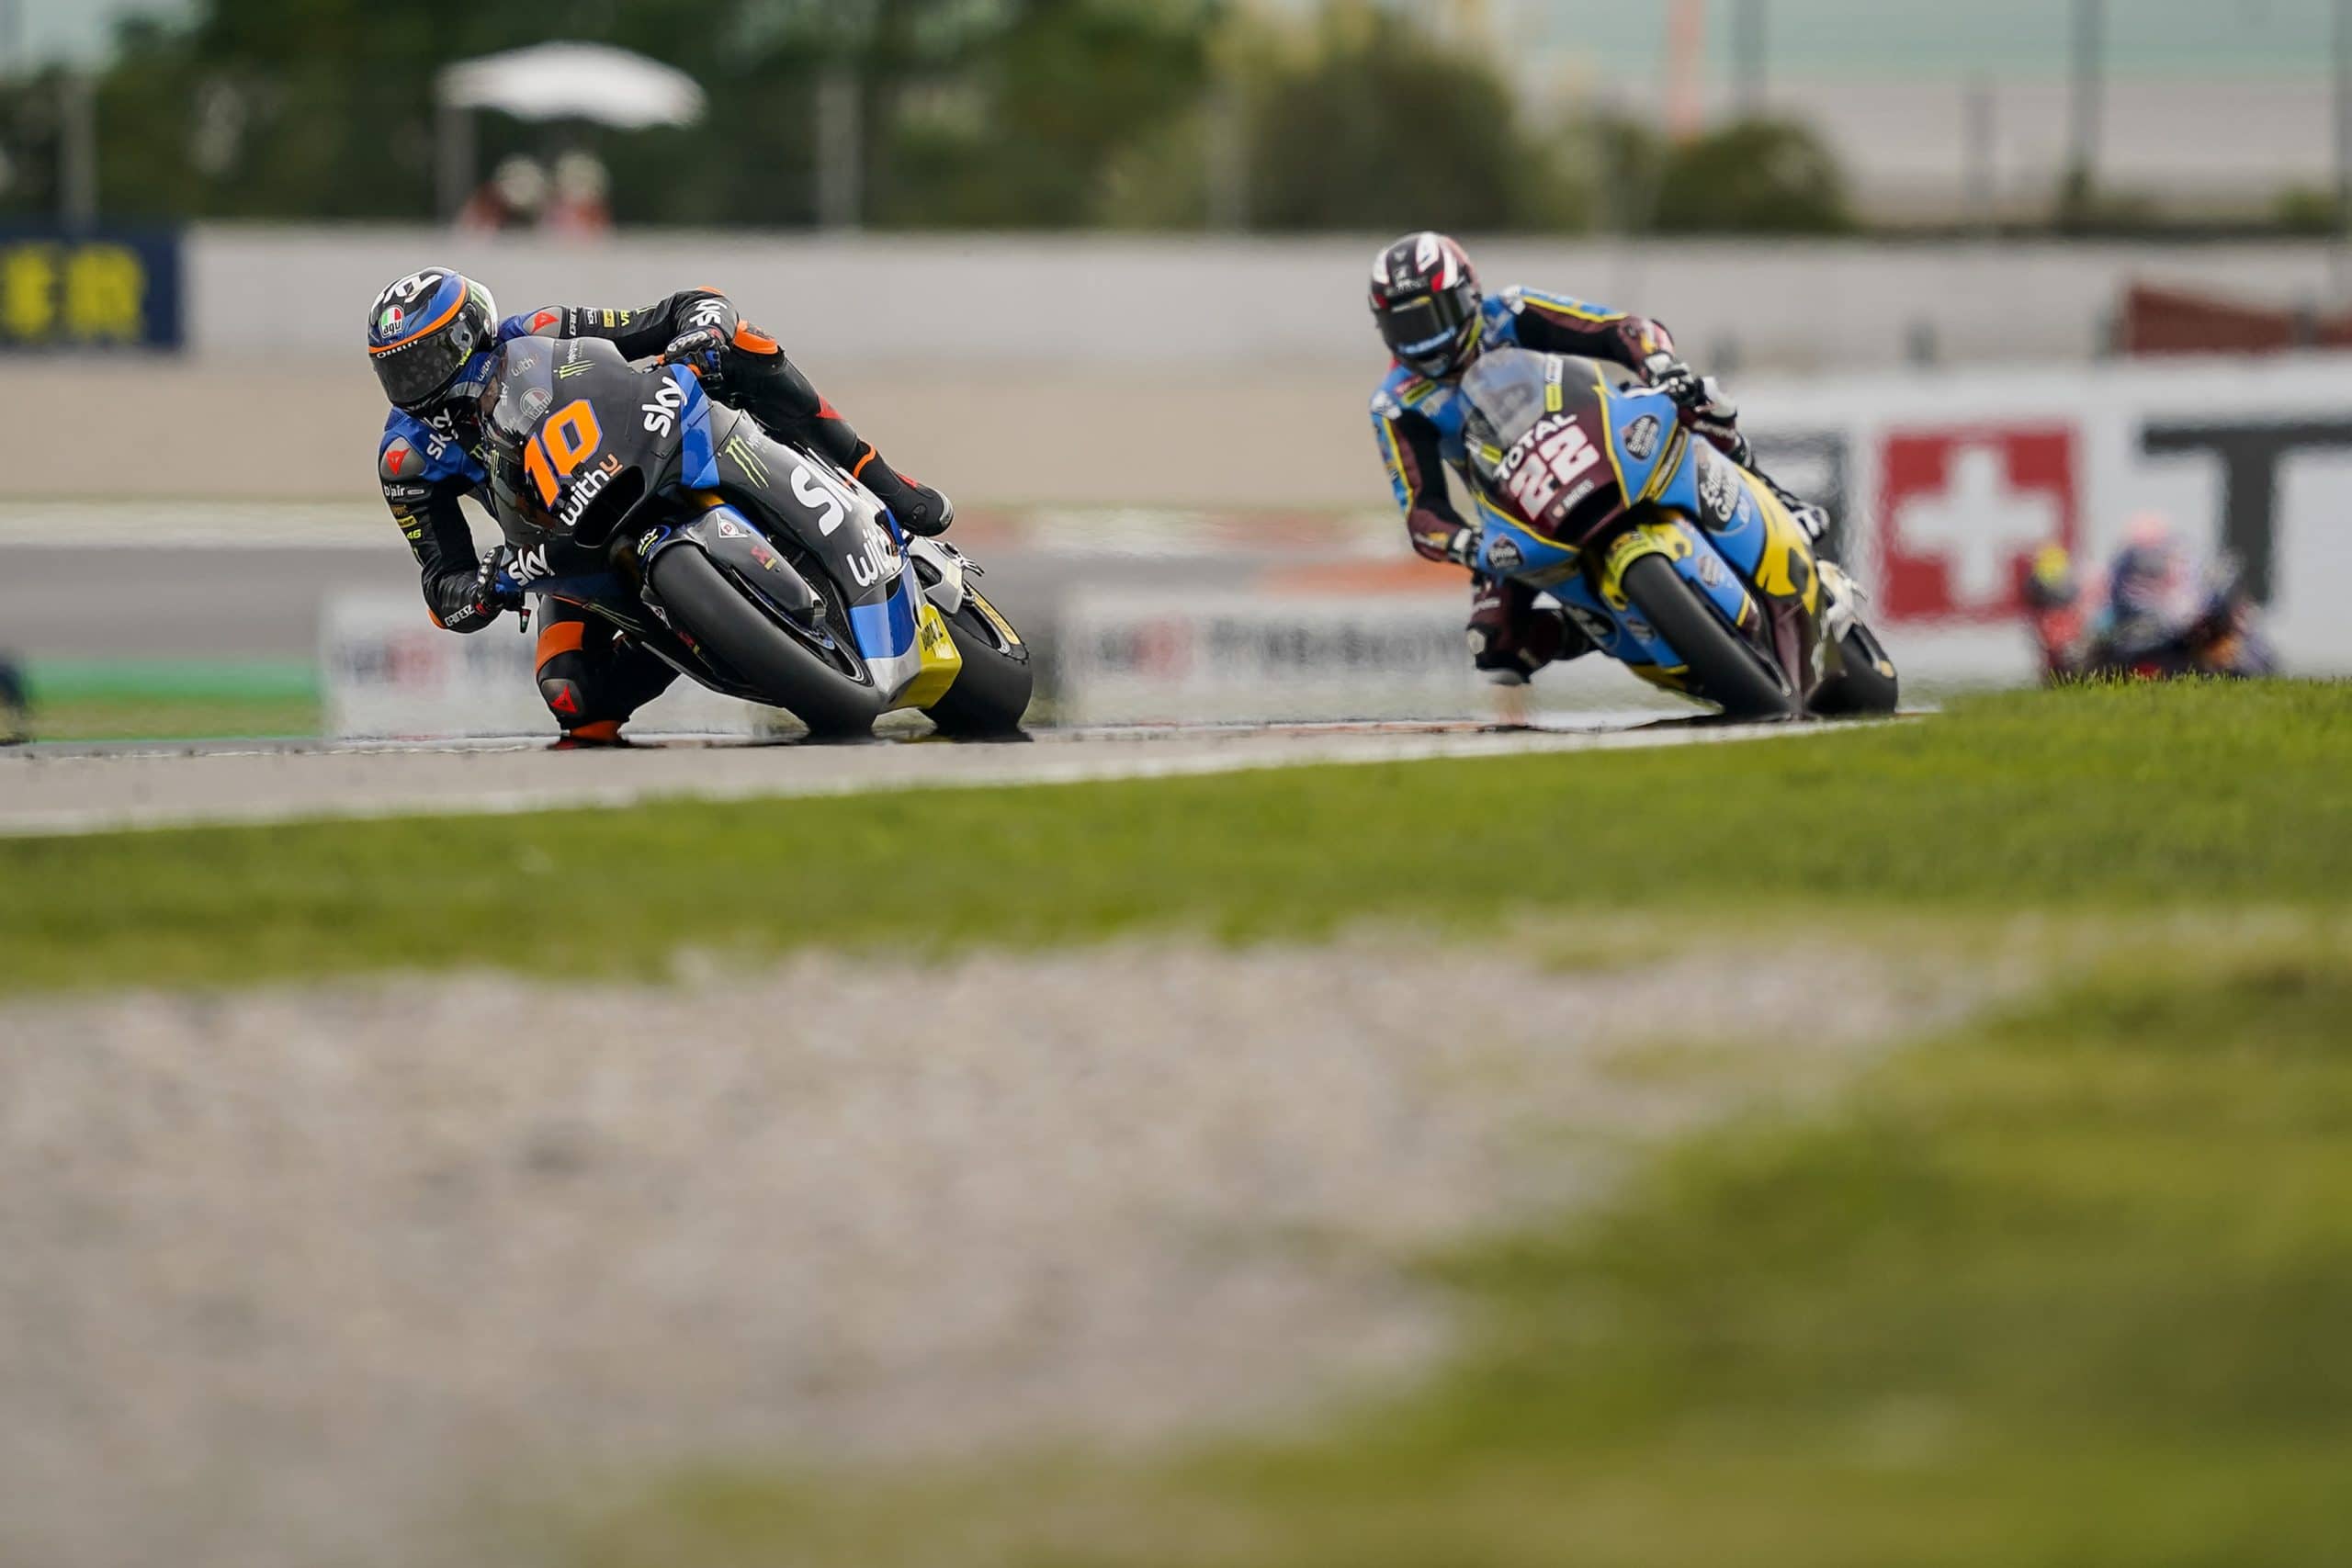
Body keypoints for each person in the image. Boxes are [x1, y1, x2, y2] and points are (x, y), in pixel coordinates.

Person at [368, 268, 951, 744]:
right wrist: (479, 590)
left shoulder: (541, 331)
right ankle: (703, 634)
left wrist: (702, 328)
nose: (416, 382)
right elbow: (442, 584)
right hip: (565, 546)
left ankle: (885, 482)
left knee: (743, 342)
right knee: (572, 696)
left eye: (425, 361)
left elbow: (677, 310)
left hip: (648, 448)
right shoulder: (406, 459)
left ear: (469, 334)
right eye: (398, 371)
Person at [1367, 230, 1820, 689]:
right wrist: (1466, 544)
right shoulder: (1396, 402)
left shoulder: (1511, 311)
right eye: (1405, 327)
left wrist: (1659, 365)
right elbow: (1422, 511)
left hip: (1595, 433)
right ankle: (1600, 629)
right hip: (1521, 505)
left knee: (1698, 401)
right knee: (1494, 644)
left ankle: (1779, 499)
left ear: (1468, 294)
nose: (1425, 339)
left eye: (1433, 317)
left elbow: (1620, 329)